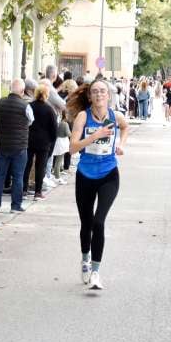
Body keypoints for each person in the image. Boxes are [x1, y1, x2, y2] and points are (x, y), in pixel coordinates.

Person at [68, 77, 129, 290]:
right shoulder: (83, 117)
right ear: (90, 96)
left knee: (98, 221)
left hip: (109, 174)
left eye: (103, 91)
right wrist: (95, 136)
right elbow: (73, 148)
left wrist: (121, 145)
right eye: (95, 92)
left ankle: (95, 272)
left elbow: (125, 127)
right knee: (86, 223)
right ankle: (85, 258)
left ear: (108, 95)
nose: (99, 95)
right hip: (85, 175)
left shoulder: (115, 116)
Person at [0, 79, 32, 213]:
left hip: (2, 145)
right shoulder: (25, 106)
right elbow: (31, 121)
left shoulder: (0, 103)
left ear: (10, 88)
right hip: (19, 147)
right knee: (18, 176)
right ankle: (15, 206)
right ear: (22, 91)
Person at [24, 83, 59, 200]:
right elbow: (54, 129)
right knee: (41, 166)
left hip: (29, 140)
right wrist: (52, 141)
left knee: (27, 165)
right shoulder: (49, 109)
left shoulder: (29, 106)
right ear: (46, 95)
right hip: (44, 142)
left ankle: (24, 190)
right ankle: (37, 192)